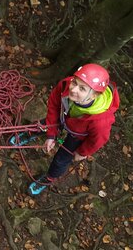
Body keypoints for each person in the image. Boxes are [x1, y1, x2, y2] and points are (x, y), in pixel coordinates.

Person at [27, 63, 120, 195]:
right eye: (75, 82)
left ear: (94, 96)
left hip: (79, 134)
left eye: (82, 89)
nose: (74, 89)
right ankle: (30, 133)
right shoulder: (66, 85)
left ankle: (49, 178)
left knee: (61, 159)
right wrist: (51, 135)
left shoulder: (101, 120)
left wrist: (82, 153)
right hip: (65, 115)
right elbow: (54, 104)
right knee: (44, 124)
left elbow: (97, 140)